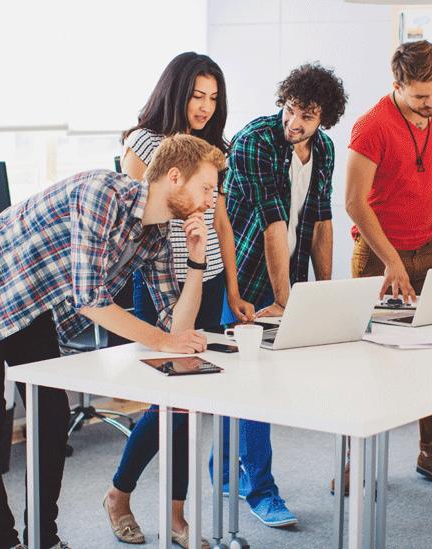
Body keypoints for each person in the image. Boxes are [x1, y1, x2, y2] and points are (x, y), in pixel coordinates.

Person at [0, 134, 225, 549]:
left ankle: (43, 538)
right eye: (206, 188)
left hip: (34, 304)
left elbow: (175, 324)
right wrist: (165, 339)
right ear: (174, 178)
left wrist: (197, 262)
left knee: (51, 418)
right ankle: (2, 542)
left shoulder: (158, 236)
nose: (210, 201)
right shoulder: (102, 194)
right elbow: (92, 300)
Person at [102, 52, 251, 549]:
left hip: (202, 278)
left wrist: (231, 288)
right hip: (156, 279)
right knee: (169, 398)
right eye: (196, 95)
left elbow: (222, 223)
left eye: (213, 98)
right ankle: (119, 495)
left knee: (191, 401)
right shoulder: (144, 144)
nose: (205, 106)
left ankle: (176, 514)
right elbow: (131, 220)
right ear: (175, 91)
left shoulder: (212, 149)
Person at [218, 63, 347, 528]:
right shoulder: (255, 142)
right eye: (291, 109)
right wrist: (287, 299)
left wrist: (325, 296)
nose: (294, 122)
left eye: (308, 116)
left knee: (253, 381)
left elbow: (320, 220)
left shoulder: (325, 150)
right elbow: (273, 222)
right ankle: (262, 492)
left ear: (324, 120)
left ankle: (221, 465)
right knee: (255, 383)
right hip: (241, 274)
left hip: (284, 274)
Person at [342, 40, 432, 495]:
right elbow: (355, 203)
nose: (430, 104)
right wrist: (392, 259)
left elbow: (431, 170)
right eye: (420, 96)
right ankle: (356, 460)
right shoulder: (370, 127)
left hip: (430, 250)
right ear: (396, 86)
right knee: (369, 362)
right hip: (379, 257)